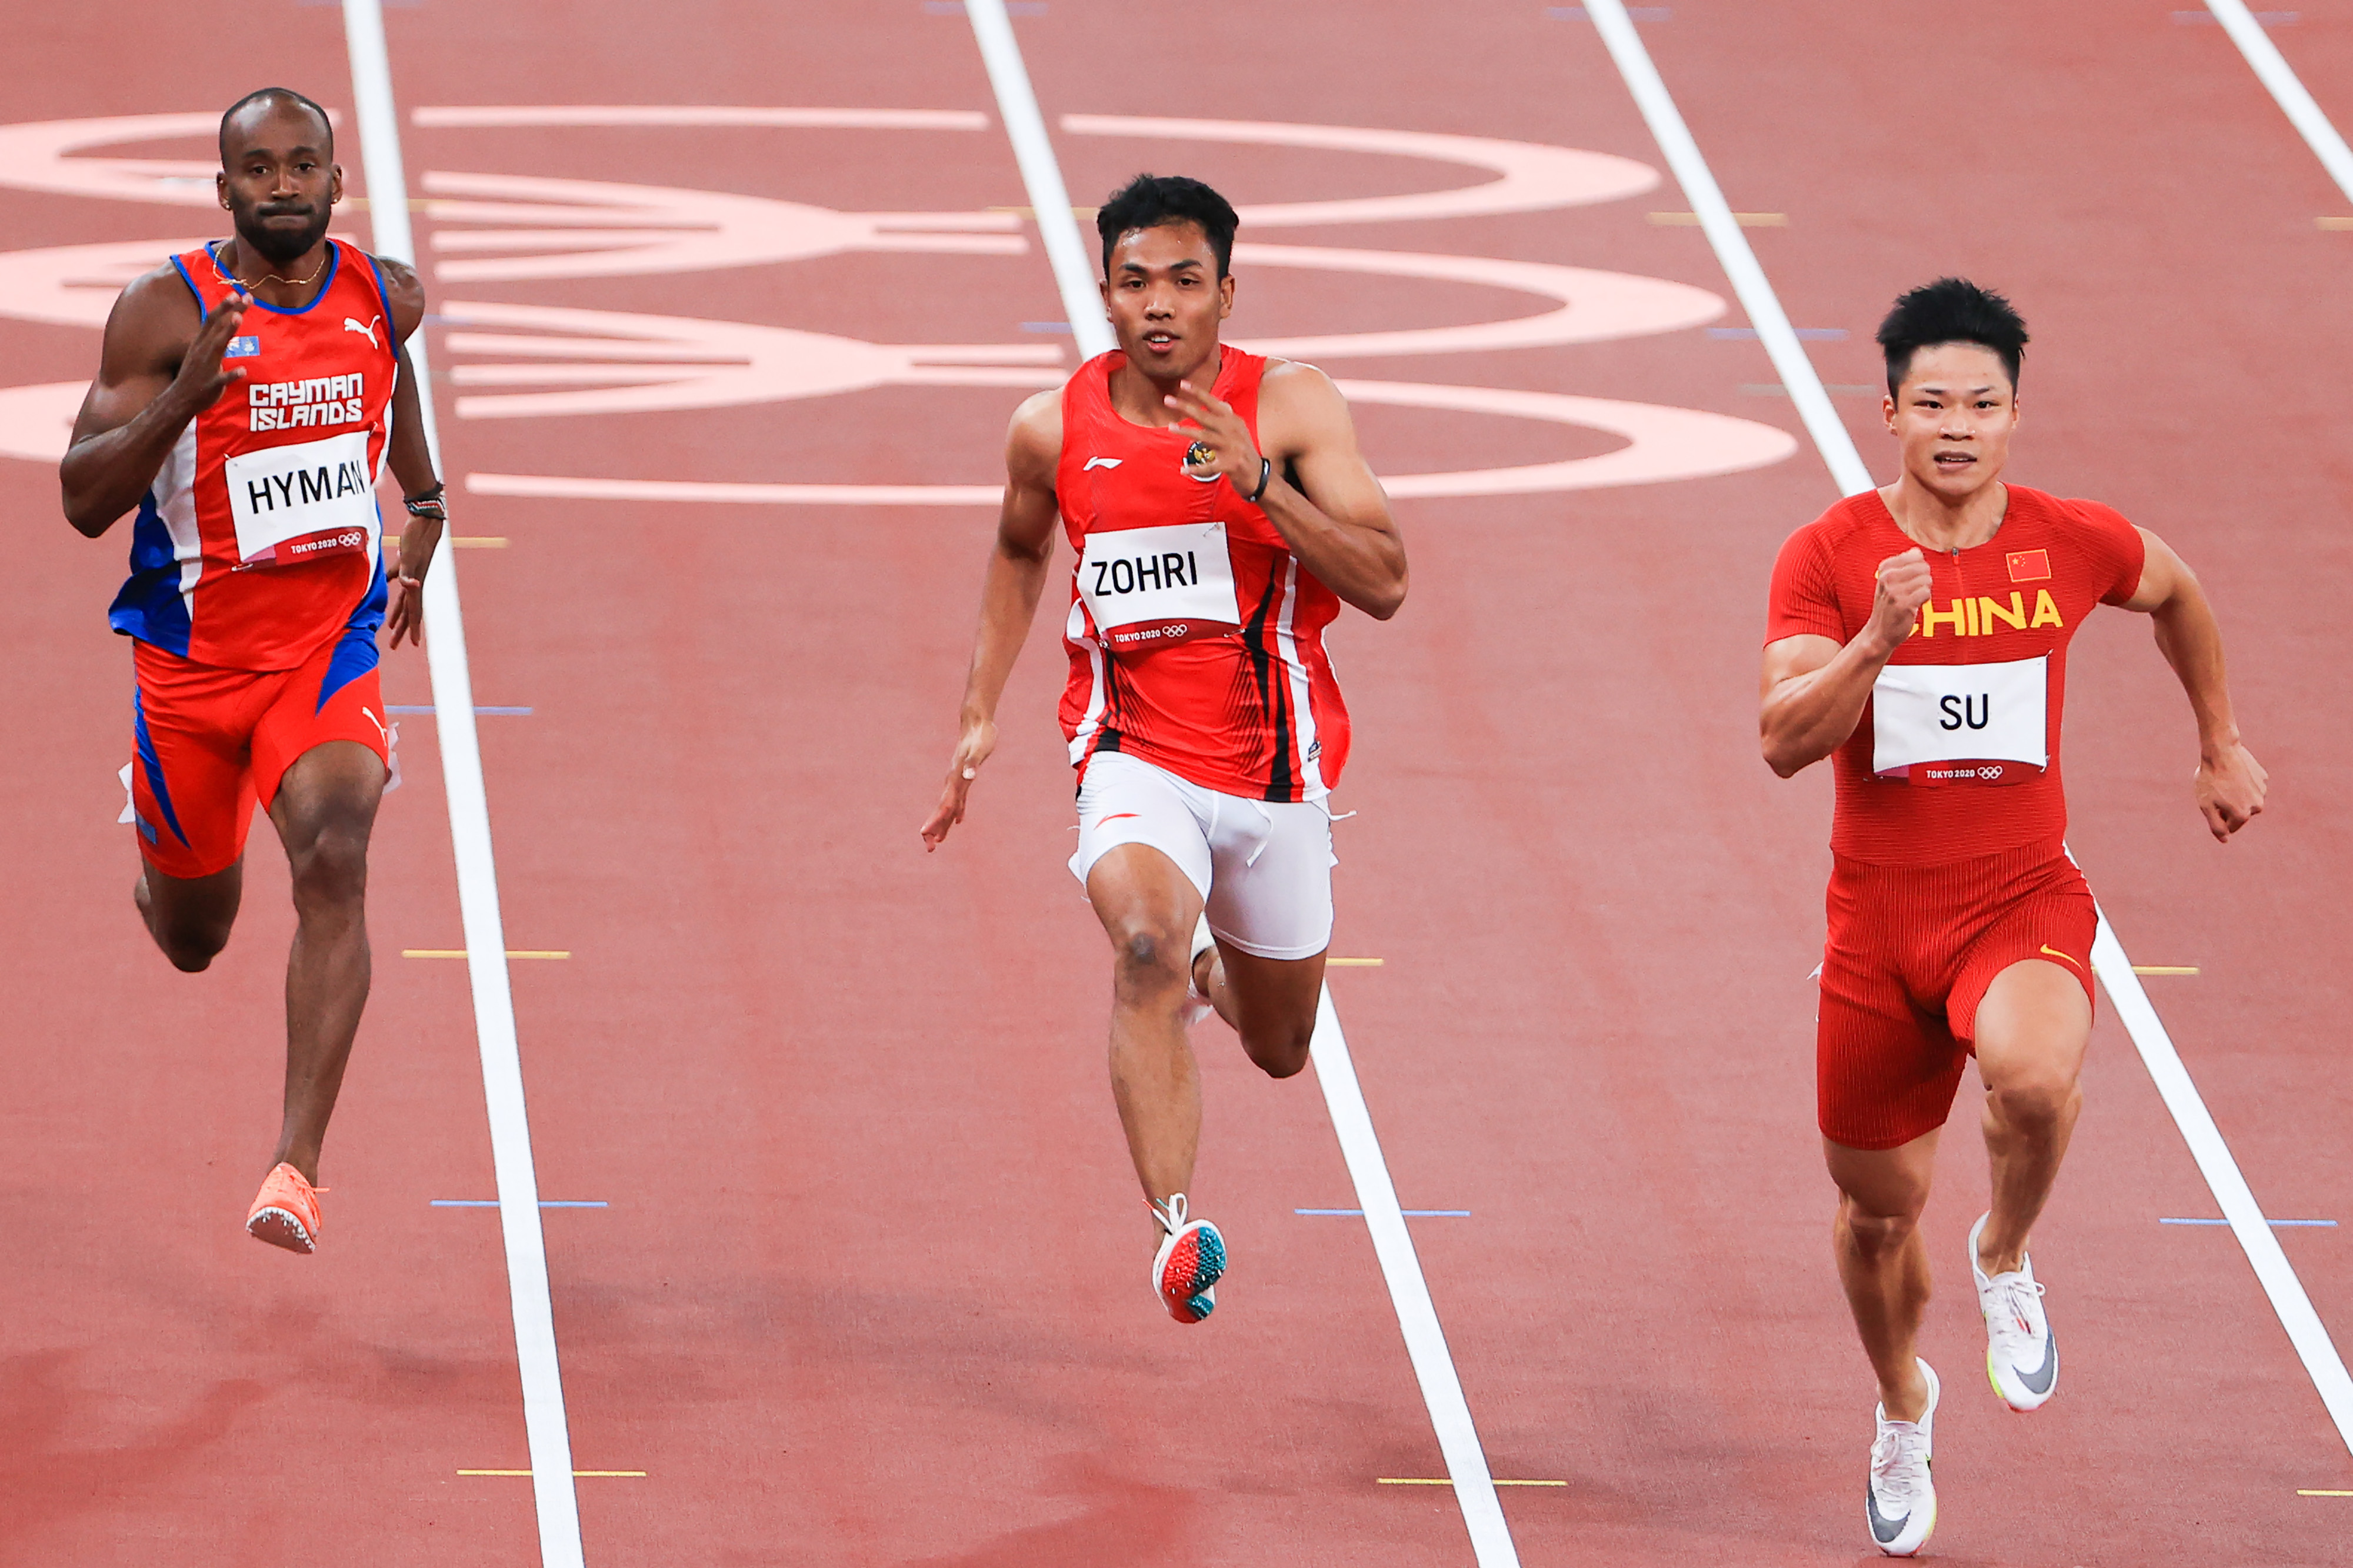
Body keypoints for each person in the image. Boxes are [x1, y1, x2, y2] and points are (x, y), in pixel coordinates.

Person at [1759, 278, 2266, 1554]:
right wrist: (1871, 640)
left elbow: (2177, 591)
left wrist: (2218, 741)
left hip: (2016, 897)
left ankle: (2002, 1250)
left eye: (1981, 404)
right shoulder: (1825, 556)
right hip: (1874, 927)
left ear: (2013, 418)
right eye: (1930, 401)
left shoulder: (2066, 539)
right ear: (1885, 411)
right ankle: (1899, 1402)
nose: (1955, 424)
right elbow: (1777, 740)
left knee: (2034, 1080)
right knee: (1874, 1219)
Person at [921, 175, 1406, 1323]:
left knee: (1282, 1045)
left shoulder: (1289, 410)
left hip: (1275, 774)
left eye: (1183, 282)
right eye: (1133, 281)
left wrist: (1256, 485)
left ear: (1225, 294)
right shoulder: (1052, 429)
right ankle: (1174, 1227)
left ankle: (1206, 977)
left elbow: (1385, 580)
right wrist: (979, 709)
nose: (1157, 305)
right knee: (1138, 943)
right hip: (1131, 754)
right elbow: (1016, 546)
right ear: (1102, 293)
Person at [59, 87, 445, 1254]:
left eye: (303, 166)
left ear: (336, 182)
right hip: (191, 670)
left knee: (336, 851)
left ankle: (296, 1167)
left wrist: (421, 504)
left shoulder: (385, 293)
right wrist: (184, 399)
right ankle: (159, 840)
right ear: (223, 190)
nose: (283, 186)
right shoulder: (161, 312)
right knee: (193, 937)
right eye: (258, 170)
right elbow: (82, 500)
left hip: (324, 653)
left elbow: (392, 380)